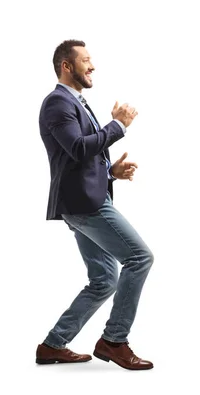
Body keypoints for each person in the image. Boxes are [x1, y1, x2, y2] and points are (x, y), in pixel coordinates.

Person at [36, 39, 154, 371]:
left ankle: (52, 345)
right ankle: (114, 341)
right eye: (86, 60)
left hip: (86, 198)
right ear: (66, 66)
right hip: (85, 205)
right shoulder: (57, 103)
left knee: (104, 279)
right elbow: (76, 147)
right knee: (140, 257)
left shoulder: (75, 102)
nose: (92, 66)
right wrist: (117, 126)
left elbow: (79, 160)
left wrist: (110, 173)